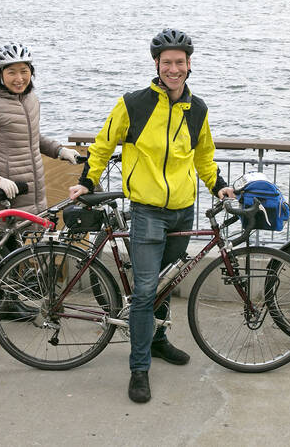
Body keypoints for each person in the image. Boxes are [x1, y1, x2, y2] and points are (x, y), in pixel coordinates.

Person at [68, 28, 234, 403]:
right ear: (157, 65)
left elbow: (204, 156)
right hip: (147, 211)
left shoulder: (198, 109)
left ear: (189, 65)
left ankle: (157, 341)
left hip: (183, 211)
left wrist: (219, 185)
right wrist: (86, 181)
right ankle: (139, 368)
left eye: (180, 62)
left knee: (165, 284)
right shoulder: (134, 104)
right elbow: (103, 144)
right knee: (144, 291)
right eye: (167, 62)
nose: (174, 69)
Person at [0, 42, 80, 220]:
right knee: (2, 248)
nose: (19, 78)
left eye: (24, 71)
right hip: (6, 198)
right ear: (0, 74)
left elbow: (31, 137)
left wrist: (60, 150)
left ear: (31, 71)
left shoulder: (30, 98)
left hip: (35, 196)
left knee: (32, 246)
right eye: (11, 72)